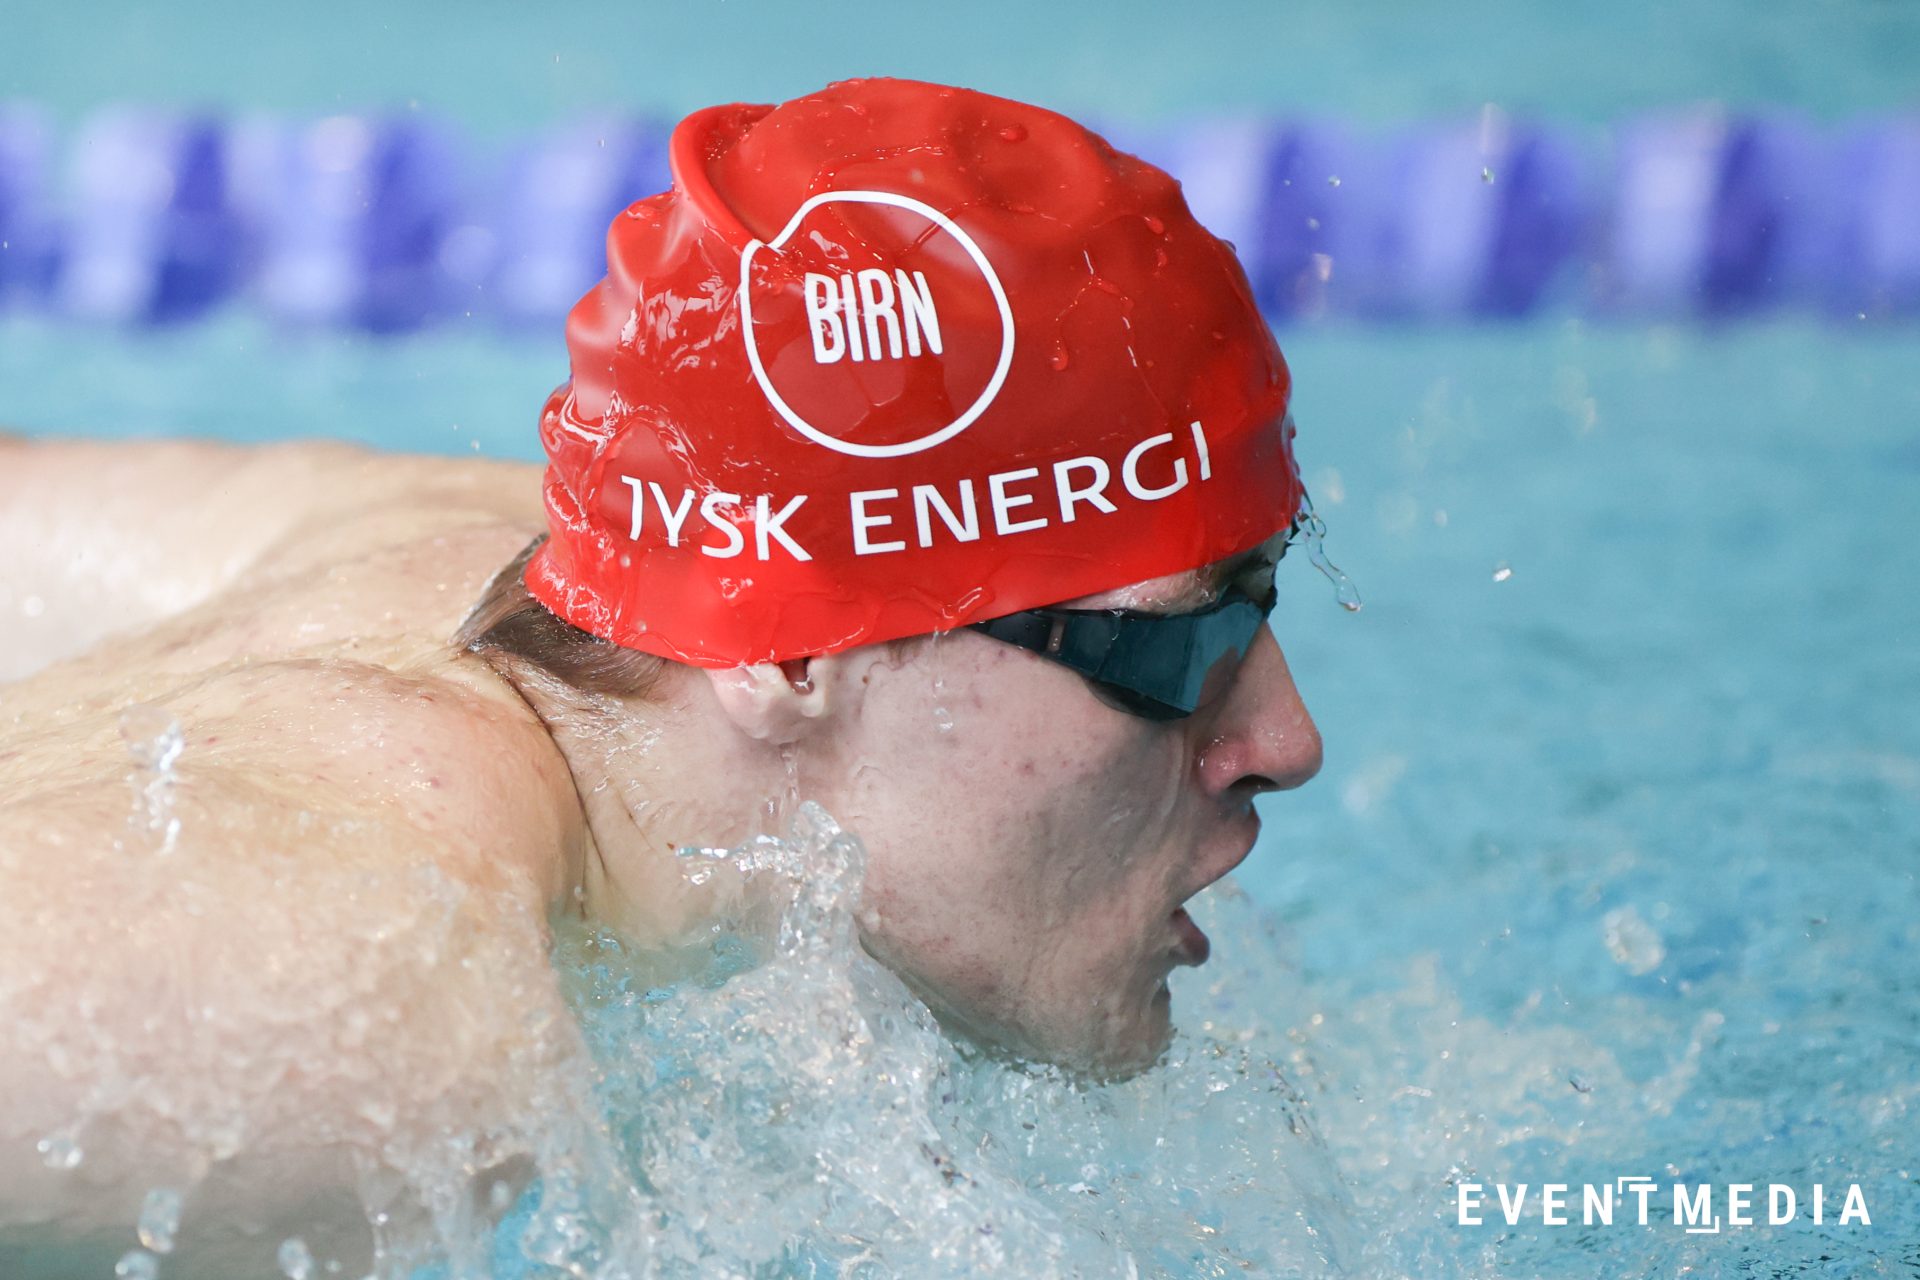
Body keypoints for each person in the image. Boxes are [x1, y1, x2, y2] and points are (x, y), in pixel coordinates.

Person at [0, 78, 1322, 1276]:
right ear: (794, 651)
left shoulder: (459, 543)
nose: (1285, 738)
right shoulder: (352, 1029)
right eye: (1177, 644)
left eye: (1262, 600)